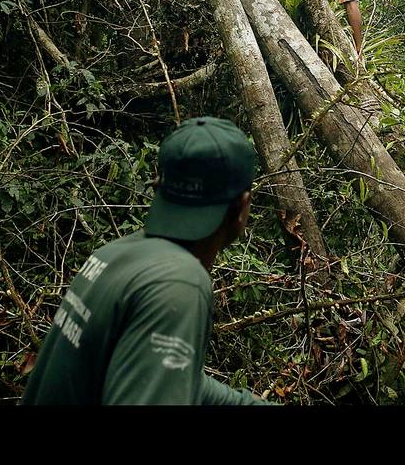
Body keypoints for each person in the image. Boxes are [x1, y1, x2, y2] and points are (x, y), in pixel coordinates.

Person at [21, 116, 274, 405]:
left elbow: (155, 373)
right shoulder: (178, 283)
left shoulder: (115, 255)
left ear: (159, 187)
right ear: (242, 207)